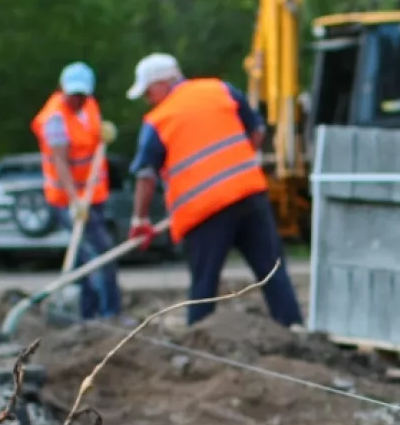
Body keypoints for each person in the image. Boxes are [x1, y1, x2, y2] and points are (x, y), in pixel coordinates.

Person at [124, 52, 303, 328]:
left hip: (204, 211)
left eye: (148, 92)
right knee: (272, 271)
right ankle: (294, 327)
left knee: (204, 282)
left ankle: (200, 339)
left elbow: (146, 175)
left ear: (163, 83)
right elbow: (257, 132)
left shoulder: (159, 120)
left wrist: (139, 219)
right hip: (248, 195)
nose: (148, 99)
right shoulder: (220, 89)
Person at [31, 61, 121, 320]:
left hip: (93, 195)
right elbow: (60, 161)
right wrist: (74, 201)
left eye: (82, 94)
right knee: (99, 254)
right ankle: (108, 313)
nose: (78, 100)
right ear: (62, 89)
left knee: (90, 256)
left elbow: (91, 136)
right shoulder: (54, 119)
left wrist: (103, 135)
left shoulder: (90, 105)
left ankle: (89, 313)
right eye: (73, 94)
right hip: (67, 200)